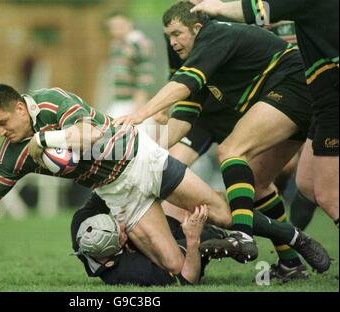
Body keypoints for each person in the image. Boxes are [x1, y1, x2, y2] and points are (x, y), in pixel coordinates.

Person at [0, 84, 234, 283]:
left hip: (137, 158)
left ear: (20, 107)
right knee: (172, 267)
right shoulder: (12, 153)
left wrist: (42, 139)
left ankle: (255, 227)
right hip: (115, 191)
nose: (1, 132)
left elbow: (91, 135)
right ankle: (200, 239)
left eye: (3, 123)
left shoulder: (53, 101)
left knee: (225, 214)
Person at [112, 1, 314, 263]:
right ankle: (290, 262)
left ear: (197, 27)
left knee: (232, 151)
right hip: (277, 97)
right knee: (259, 181)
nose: (172, 42)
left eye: (176, 34)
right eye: (169, 36)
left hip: (294, 86)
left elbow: (184, 85)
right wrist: (143, 150)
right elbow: (185, 111)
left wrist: (140, 114)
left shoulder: (214, 33)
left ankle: (242, 236)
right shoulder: (187, 48)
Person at [190, 0, 339, 227]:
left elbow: (255, 11)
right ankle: (292, 257)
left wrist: (217, 6)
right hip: (320, 100)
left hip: (330, 96)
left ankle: (247, 235)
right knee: (307, 183)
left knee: (329, 195)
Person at [71, 193, 330, 285]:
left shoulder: (83, 224)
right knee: (209, 215)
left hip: (163, 226)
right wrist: (192, 238)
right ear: (110, 260)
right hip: (185, 250)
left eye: (117, 225)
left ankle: (287, 244)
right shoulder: (129, 272)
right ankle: (222, 241)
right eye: (122, 234)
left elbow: (105, 186)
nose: (124, 226)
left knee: (210, 199)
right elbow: (186, 280)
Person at [105, 12, 155, 118]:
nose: (116, 29)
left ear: (130, 23)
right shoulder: (116, 44)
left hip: (134, 102)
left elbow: (145, 74)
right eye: (113, 26)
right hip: (119, 100)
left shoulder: (139, 43)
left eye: (120, 25)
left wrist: (139, 104)